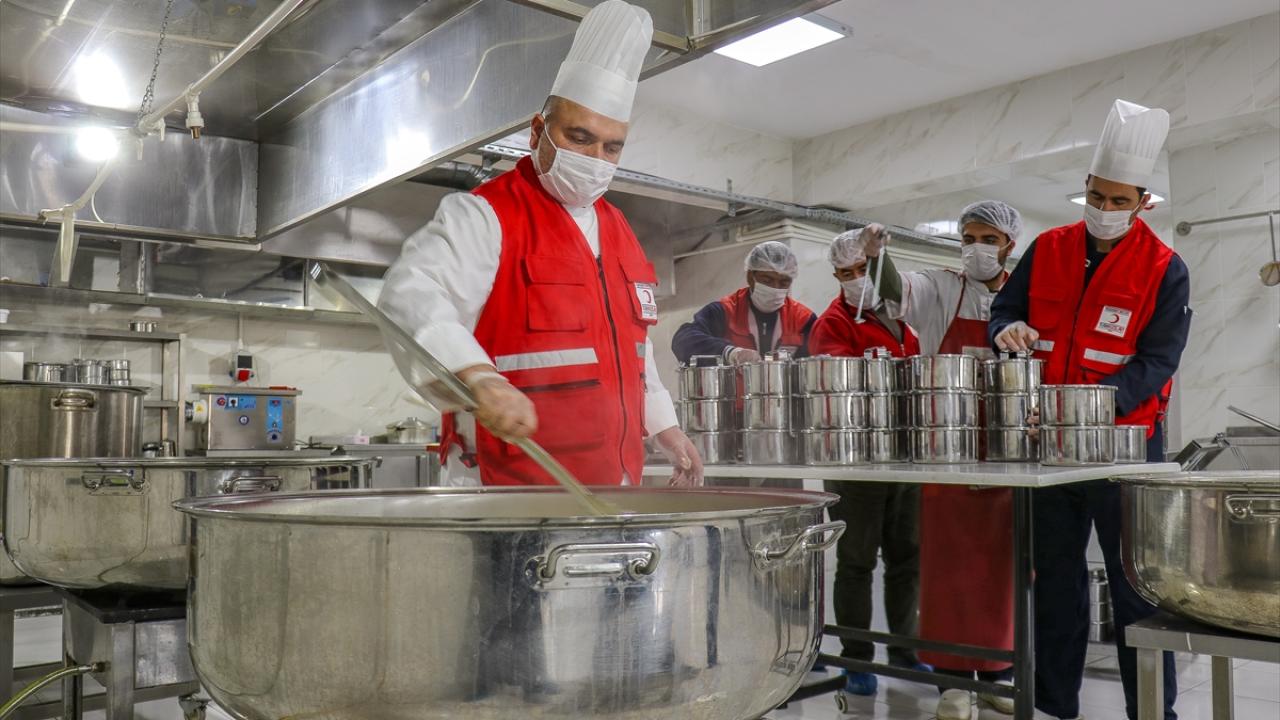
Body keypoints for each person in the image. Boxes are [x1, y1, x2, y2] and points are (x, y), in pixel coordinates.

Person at [378, 0, 701, 489]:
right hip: (506, 485)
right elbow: (413, 293)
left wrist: (664, 426)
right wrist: (478, 376)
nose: (595, 158)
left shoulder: (621, 231)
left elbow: (635, 351)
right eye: (579, 137)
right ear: (537, 132)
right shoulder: (486, 215)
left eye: (611, 146)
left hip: (609, 483)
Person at [989, 99, 1190, 720]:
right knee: (1054, 579)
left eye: (1118, 200)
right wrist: (1005, 330)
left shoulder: (1165, 268)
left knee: (1135, 588)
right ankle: (1054, 703)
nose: (1104, 208)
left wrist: (1091, 407)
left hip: (1124, 448)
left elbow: (1158, 361)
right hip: (1049, 446)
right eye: (1096, 196)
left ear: (1142, 203)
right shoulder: (1048, 247)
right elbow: (1005, 311)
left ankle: (1151, 712)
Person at [863, 202, 1024, 719]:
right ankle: (953, 684)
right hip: (948, 452)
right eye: (968, 237)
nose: (977, 247)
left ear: (1010, 245)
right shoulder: (941, 288)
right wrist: (877, 257)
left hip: (1007, 454)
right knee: (948, 574)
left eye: (989, 239)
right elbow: (896, 290)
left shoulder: (1024, 292)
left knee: (1002, 573)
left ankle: (999, 675)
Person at [810, 228, 927, 698]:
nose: (857, 278)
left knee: (907, 559)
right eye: (846, 272)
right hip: (857, 464)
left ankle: (904, 649)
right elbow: (842, 393)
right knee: (857, 562)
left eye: (863, 269)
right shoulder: (832, 324)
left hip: (905, 458)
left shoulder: (903, 318)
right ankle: (857, 658)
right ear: (836, 276)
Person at [671, 241, 816, 364]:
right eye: (767, 280)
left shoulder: (803, 320)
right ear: (750, 277)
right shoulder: (724, 311)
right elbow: (683, 340)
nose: (775, 288)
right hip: (733, 389)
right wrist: (730, 352)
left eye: (784, 283)